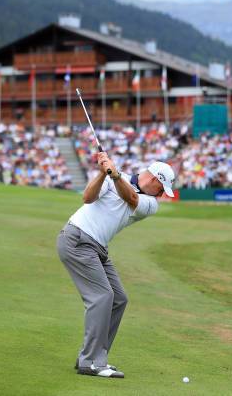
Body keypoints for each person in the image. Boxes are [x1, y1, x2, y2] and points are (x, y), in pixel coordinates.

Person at [57, 153, 175, 379]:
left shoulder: (150, 204)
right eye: (161, 190)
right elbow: (87, 197)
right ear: (154, 180)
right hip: (77, 239)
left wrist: (115, 175)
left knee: (119, 298)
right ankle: (90, 361)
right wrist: (103, 173)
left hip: (97, 248)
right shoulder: (112, 179)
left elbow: (130, 197)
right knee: (102, 297)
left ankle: (96, 357)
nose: (161, 196)